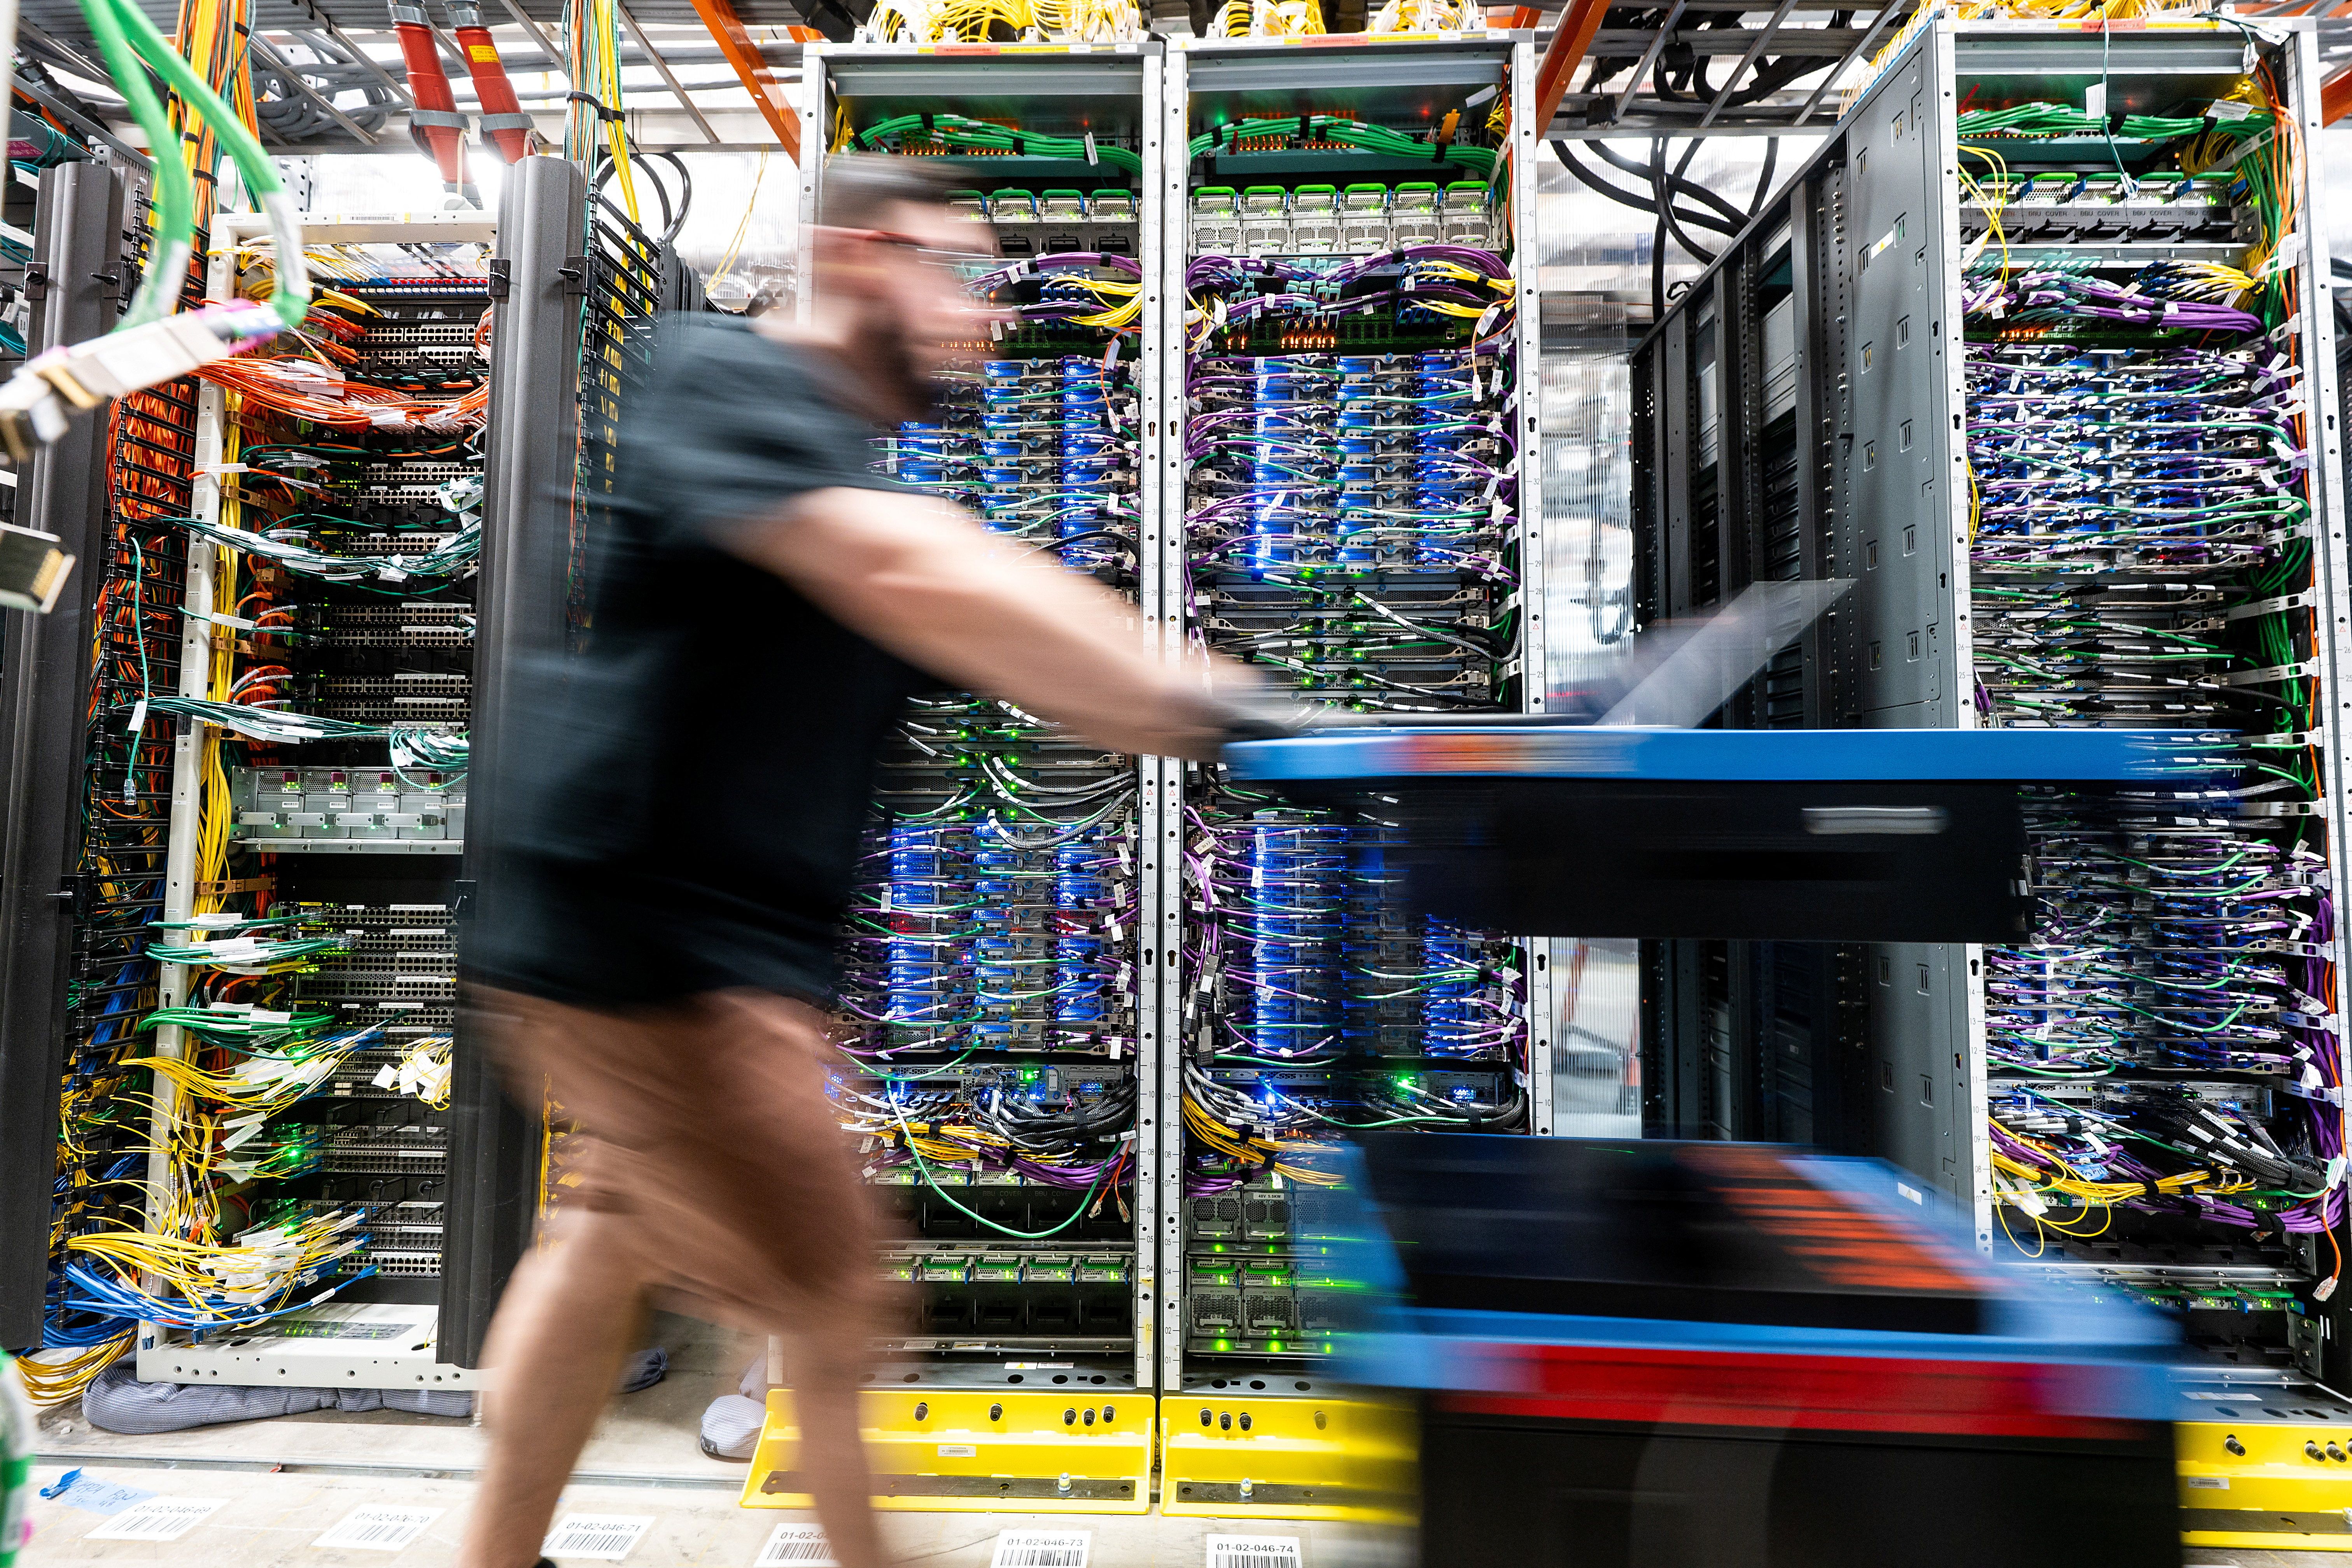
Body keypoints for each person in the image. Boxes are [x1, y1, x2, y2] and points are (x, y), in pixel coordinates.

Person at [455, 156, 1257, 1568]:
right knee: (835, 1302)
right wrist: (1222, 704)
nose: (983, 321)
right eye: (960, 277)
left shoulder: (826, 459)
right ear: (864, 255)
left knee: (607, 1234)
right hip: (660, 952)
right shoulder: (726, 382)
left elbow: (959, 626)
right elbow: (909, 568)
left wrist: (1213, 717)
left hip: (656, 942)